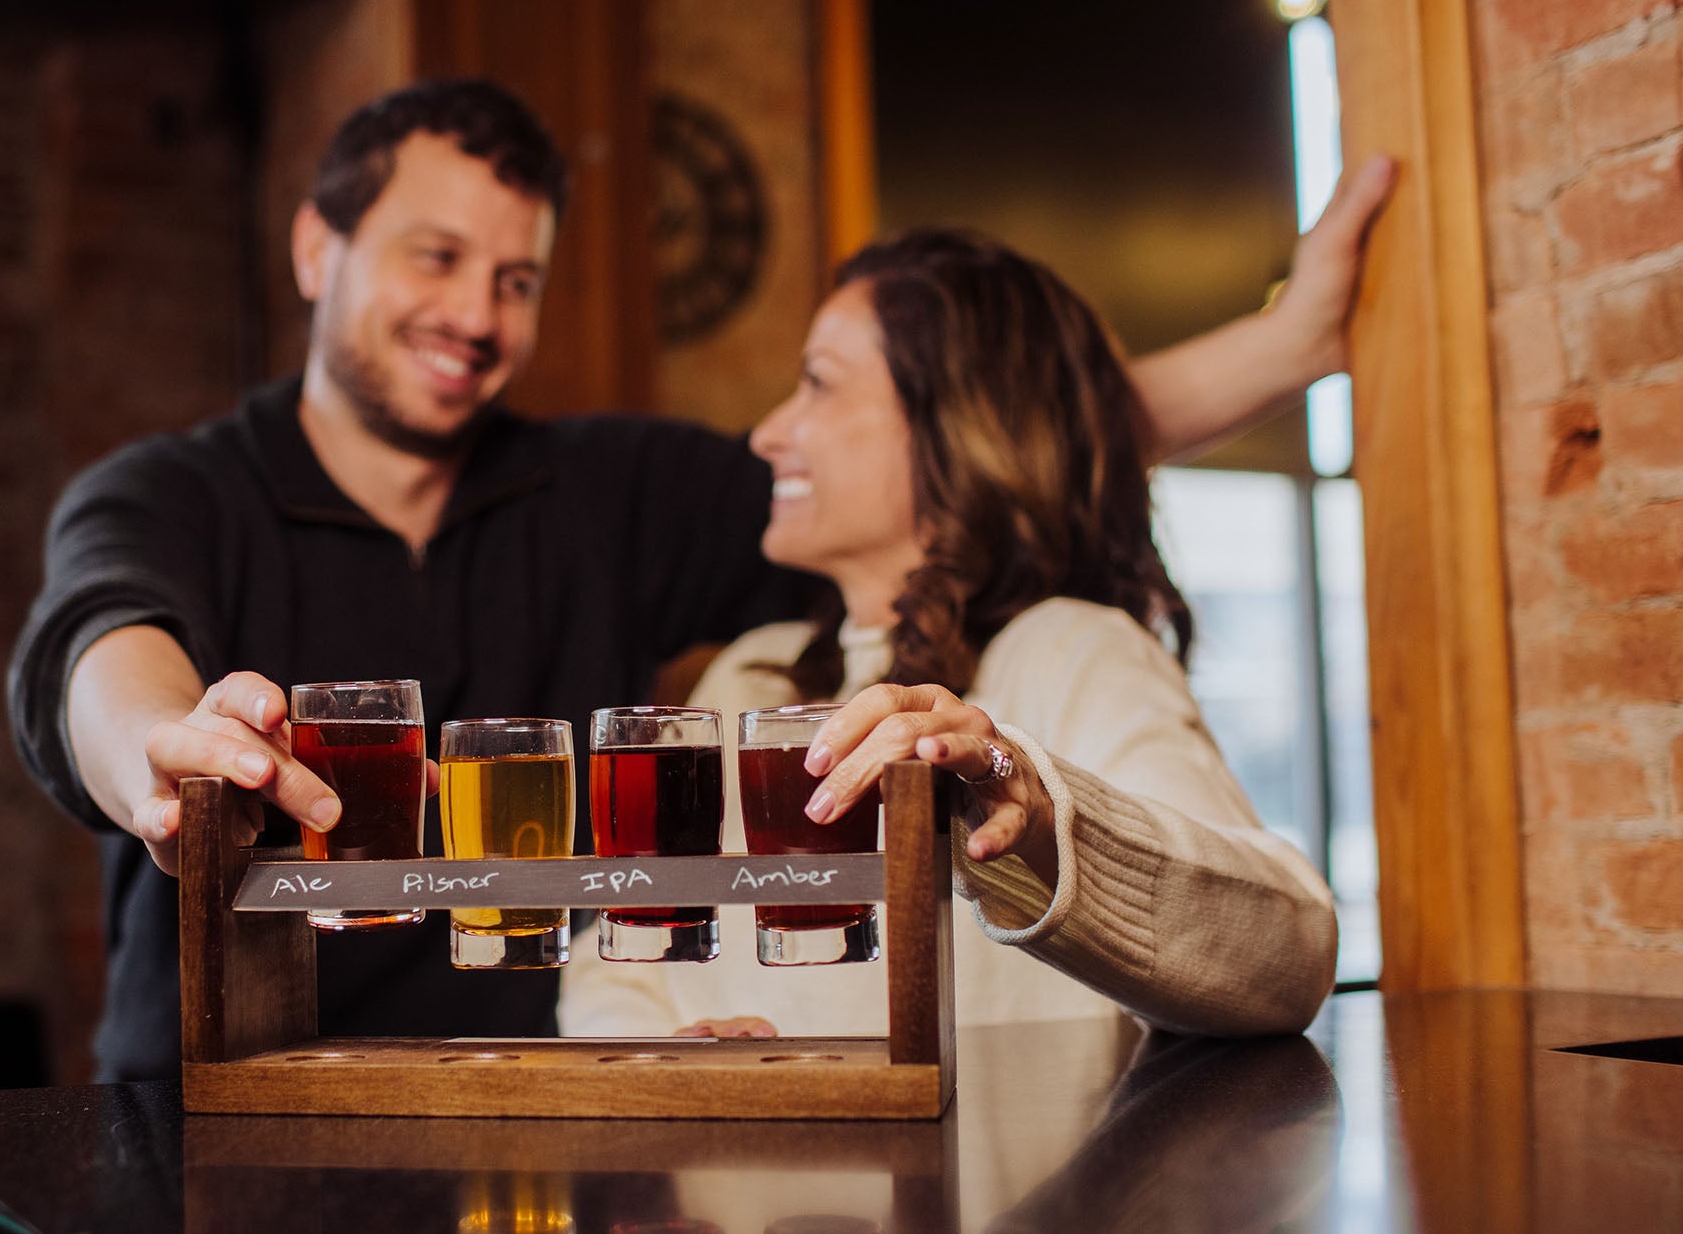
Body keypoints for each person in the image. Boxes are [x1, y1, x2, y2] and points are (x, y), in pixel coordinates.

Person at [7, 78, 1392, 1079]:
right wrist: (154, 751)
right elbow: (99, 638)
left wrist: (1281, 358)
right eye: (437, 257)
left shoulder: (612, 494)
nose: (477, 316)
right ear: (321, 248)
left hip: (538, 1145)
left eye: (519, 279)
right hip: (224, 1122)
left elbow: (971, 447)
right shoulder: (170, 490)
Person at [559, 232, 1338, 1041]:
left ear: (954, 426)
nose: (766, 434)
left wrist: (1036, 820)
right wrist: (649, 1061)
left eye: (818, 385)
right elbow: (616, 970)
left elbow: (1285, 950)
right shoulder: (749, 678)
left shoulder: (1068, 652)